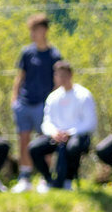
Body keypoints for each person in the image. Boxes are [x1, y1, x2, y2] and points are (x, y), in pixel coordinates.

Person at [10, 13, 63, 193]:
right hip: (24, 103)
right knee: (23, 139)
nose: (33, 34)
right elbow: (20, 76)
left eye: (36, 30)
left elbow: (58, 82)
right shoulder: (27, 52)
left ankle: (44, 178)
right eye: (31, 30)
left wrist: (52, 104)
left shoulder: (54, 55)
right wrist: (15, 99)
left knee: (44, 142)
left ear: (45, 31)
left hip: (43, 104)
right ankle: (24, 177)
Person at [28, 61, 97, 191]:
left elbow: (90, 123)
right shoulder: (53, 97)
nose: (61, 78)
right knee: (34, 148)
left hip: (78, 136)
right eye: (58, 75)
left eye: (64, 75)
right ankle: (49, 180)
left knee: (72, 147)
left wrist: (70, 133)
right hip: (57, 136)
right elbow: (46, 122)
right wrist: (54, 132)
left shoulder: (83, 95)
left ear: (70, 75)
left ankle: (67, 180)